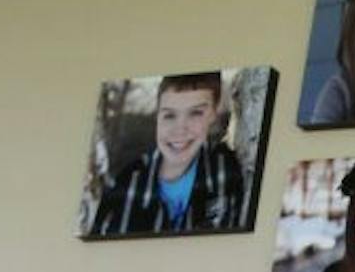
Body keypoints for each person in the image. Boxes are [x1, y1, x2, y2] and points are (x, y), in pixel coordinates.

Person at [89, 72, 248, 236]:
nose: (180, 129)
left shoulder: (226, 170)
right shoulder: (126, 184)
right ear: (157, 115)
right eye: (169, 115)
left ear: (213, 114)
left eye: (195, 113)